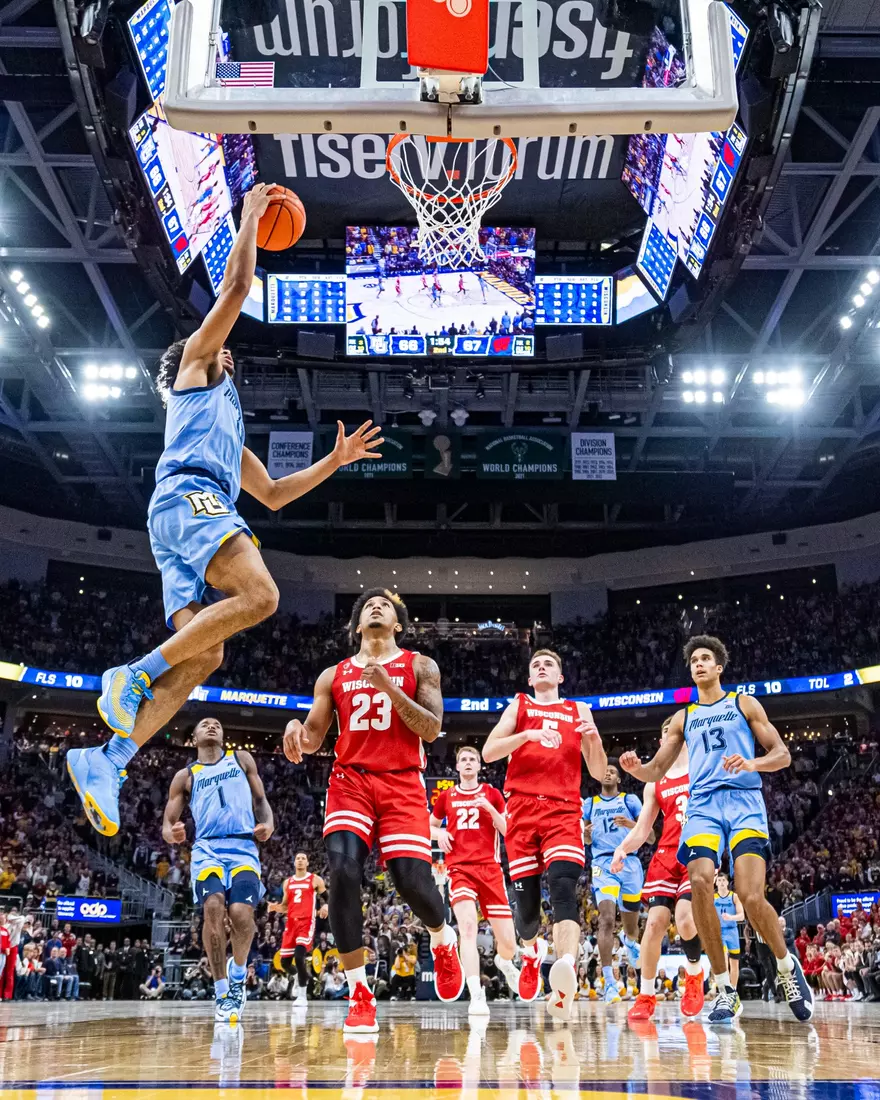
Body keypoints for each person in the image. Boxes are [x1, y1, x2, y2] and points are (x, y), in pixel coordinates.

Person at [66, 180, 383, 839]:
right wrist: (247, 220)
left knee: (206, 656)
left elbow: (268, 494)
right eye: (209, 342)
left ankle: (108, 759)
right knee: (262, 596)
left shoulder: (224, 422)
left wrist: (335, 461)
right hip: (189, 498)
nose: (222, 344)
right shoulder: (195, 372)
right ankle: (133, 672)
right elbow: (236, 292)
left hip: (180, 512)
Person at [283, 589, 463, 1034]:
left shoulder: (420, 665)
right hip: (351, 781)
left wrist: (388, 689)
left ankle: (442, 937)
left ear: (398, 625)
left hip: (402, 781)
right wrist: (295, 731)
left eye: (385, 605)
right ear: (358, 626)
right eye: (368, 606)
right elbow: (313, 737)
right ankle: (359, 992)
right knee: (343, 872)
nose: (376, 606)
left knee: (411, 881)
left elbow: (432, 728)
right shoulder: (334, 675)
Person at [620, 634, 813, 1023]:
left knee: (751, 896)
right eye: (694, 660)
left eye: (706, 658)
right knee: (700, 880)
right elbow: (656, 770)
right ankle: (725, 988)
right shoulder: (683, 717)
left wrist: (752, 764)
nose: (699, 664)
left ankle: (786, 967)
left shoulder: (744, 703)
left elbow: (782, 754)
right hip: (704, 804)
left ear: (719, 667)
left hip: (743, 801)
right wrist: (635, 769)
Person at [483, 649, 606, 1021]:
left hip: (562, 809)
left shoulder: (578, 711)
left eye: (548, 664)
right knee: (528, 919)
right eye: (535, 664)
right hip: (520, 810)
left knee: (564, 886)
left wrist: (595, 740)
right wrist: (528, 734)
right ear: (529, 677)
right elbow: (489, 752)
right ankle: (532, 951)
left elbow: (599, 772)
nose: (541, 667)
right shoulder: (519, 706)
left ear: (561, 677)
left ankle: (565, 967)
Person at [163, 716, 274, 1023]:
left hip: (242, 848)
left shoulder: (241, 759)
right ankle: (222, 989)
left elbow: (261, 800)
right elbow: (166, 823)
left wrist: (268, 824)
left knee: (240, 914)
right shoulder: (185, 776)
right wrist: (172, 833)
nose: (212, 726)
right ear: (194, 738)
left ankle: (238, 972)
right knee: (213, 908)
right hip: (207, 849)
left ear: (223, 735)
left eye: (217, 724)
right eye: (204, 724)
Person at [610, 717, 705, 1021]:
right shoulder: (655, 782)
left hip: (698, 850)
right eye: (666, 733)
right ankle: (646, 995)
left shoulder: (703, 768)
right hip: (665, 855)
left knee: (686, 919)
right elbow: (642, 829)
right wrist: (622, 849)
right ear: (663, 742)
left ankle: (694, 974)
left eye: (676, 731)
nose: (671, 737)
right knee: (653, 925)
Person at [430, 745, 520, 1017]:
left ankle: (504, 963)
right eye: (463, 760)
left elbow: (508, 830)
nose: (468, 763)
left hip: (490, 870)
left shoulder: (492, 793)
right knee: (467, 927)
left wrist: (491, 811)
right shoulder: (446, 797)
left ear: (479, 766)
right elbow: (427, 824)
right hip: (459, 870)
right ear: (457, 767)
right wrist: (439, 834)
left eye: (472, 759)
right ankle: (476, 994)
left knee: (509, 944)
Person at [583, 760, 645, 1005]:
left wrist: (631, 824)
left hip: (630, 863)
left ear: (619, 779)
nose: (608, 773)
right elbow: (586, 841)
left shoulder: (630, 801)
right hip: (603, 864)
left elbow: (649, 836)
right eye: (605, 770)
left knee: (631, 925)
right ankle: (609, 982)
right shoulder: (590, 804)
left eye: (613, 771)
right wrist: (586, 835)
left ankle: (629, 941)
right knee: (607, 919)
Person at [268, 851, 327, 1006]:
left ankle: (302, 995)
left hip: (306, 921)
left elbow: (327, 897)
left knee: (300, 956)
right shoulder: (288, 882)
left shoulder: (315, 879)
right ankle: (296, 976)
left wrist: (325, 906)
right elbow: (286, 906)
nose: (300, 861)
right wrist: (275, 908)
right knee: (285, 962)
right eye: (298, 859)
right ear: (294, 863)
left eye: (303, 859)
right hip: (291, 923)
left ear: (307, 863)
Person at [714, 871, 744, 990]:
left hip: (732, 931)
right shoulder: (713, 897)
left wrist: (731, 917)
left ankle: (734, 989)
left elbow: (741, 916)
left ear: (727, 883)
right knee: (723, 959)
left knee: (734, 963)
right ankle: (725, 989)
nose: (721, 882)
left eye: (723, 880)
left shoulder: (734, 896)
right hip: (719, 932)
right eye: (719, 880)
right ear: (716, 883)